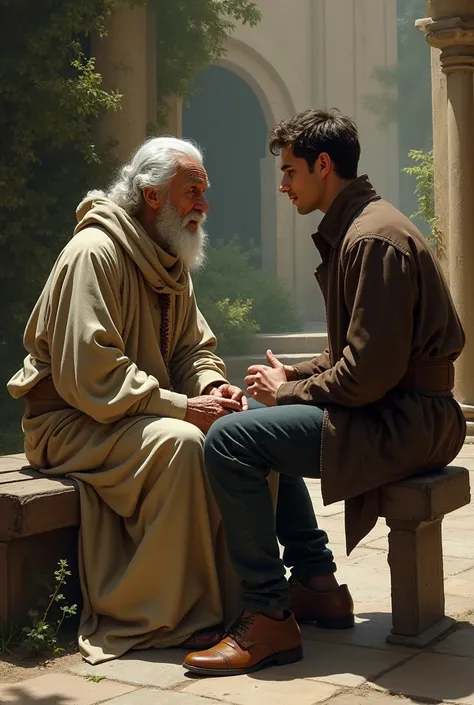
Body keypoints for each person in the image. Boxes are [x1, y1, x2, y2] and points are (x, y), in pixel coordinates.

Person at [7, 136, 352, 665]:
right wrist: (180, 407)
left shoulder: (168, 256)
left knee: (247, 429)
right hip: (71, 422)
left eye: (204, 193)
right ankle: (173, 614)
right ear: (151, 195)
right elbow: (92, 373)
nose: (204, 206)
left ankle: (275, 595)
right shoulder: (94, 252)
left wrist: (213, 387)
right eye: (192, 192)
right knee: (185, 443)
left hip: (130, 413)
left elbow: (193, 348)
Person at [183, 109, 467, 677]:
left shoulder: (372, 239)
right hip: (405, 411)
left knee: (230, 442)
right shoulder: (363, 227)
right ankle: (316, 582)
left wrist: (289, 391)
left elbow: (364, 377)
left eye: (290, 171)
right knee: (260, 433)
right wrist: (293, 378)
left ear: (324, 165)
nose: (282, 185)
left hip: (408, 422)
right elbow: (358, 354)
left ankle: (267, 618)